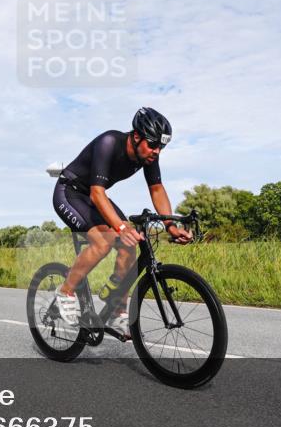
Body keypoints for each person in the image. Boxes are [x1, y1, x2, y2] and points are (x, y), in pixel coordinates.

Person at [51, 107, 192, 334]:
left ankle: (116, 307)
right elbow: (97, 193)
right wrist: (120, 226)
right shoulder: (109, 142)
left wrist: (171, 226)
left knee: (130, 243)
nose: (157, 151)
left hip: (93, 196)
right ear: (136, 136)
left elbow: (156, 189)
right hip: (70, 192)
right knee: (104, 241)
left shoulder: (148, 155)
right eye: (153, 144)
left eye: (161, 147)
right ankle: (65, 292)